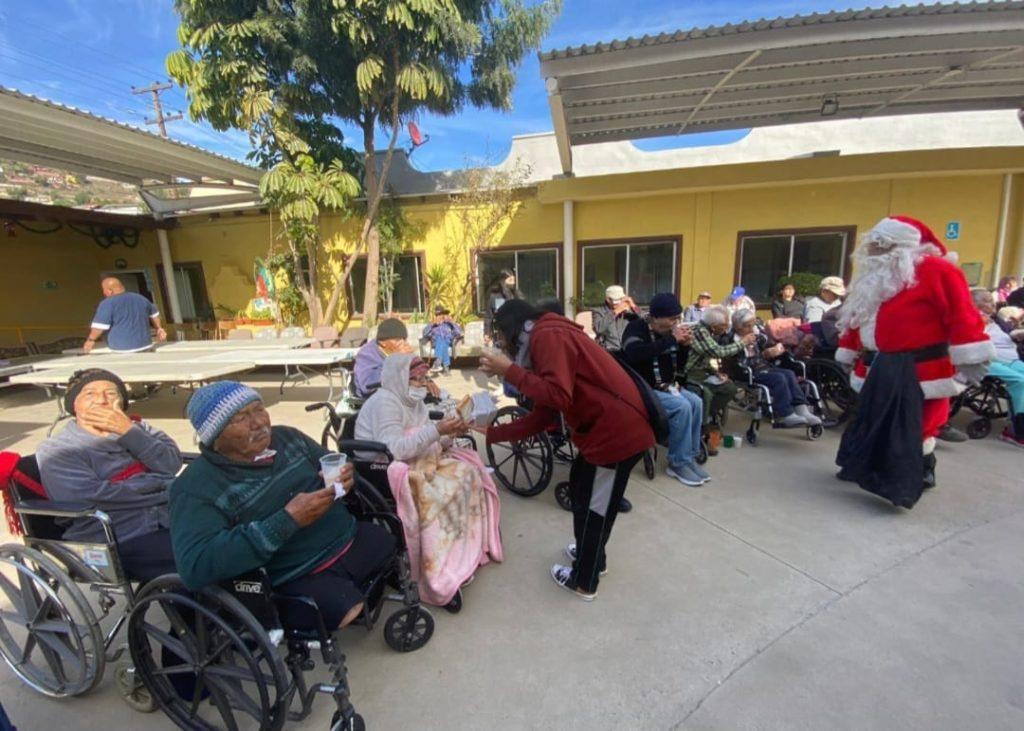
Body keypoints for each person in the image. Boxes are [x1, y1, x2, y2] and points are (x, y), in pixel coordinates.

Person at [171, 381, 394, 631]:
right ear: (215, 435)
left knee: (389, 540)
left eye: (258, 409)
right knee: (345, 607)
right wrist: (287, 521)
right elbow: (195, 567)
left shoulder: (288, 438)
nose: (258, 423)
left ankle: (357, 590)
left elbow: (335, 466)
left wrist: (347, 475)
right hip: (294, 575)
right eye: (241, 418)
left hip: (345, 539)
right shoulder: (195, 487)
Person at [479, 300, 655, 601]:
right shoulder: (550, 335)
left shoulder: (547, 335)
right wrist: (492, 432)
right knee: (581, 491)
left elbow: (557, 396)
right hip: (607, 430)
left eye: (502, 337)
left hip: (615, 434)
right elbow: (545, 414)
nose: (503, 345)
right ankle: (591, 554)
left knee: (595, 508)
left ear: (515, 328)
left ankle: (585, 579)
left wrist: (510, 371)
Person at [834, 216, 993, 508]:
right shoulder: (872, 278)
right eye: (874, 245)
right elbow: (855, 318)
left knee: (917, 426)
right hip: (875, 364)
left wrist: (971, 355)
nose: (875, 251)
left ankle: (915, 474)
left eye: (882, 245)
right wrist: (847, 349)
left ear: (903, 246)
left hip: (919, 368)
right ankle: (863, 466)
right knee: (871, 419)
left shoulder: (937, 271)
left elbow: (961, 314)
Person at [355, 355, 502, 605]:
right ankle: (438, 571)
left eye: (425, 378)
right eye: (417, 379)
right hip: (383, 468)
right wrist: (437, 431)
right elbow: (396, 450)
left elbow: (427, 439)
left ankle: (463, 553)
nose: (423, 384)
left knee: (468, 474)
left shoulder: (415, 402)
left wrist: (450, 433)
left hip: (417, 461)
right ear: (400, 378)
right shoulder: (386, 403)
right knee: (441, 496)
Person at [36, 369, 181, 583]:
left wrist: (128, 432)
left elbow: (170, 464)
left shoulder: (141, 429)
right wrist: (159, 487)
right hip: (117, 533)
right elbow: (86, 497)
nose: (102, 400)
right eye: (90, 394)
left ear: (122, 402)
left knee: (235, 545)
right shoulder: (58, 449)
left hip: (171, 517)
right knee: (195, 560)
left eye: (111, 394)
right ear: (74, 405)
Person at [621, 293, 709, 487]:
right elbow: (635, 354)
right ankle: (677, 463)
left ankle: (689, 457)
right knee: (682, 406)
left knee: (696, 402)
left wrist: (684, 347)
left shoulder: (668, 333)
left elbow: (680, 366)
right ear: (655, 317)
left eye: (677, 318)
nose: (675, 323)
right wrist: (672, 340)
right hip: (641, 388)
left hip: (666, 386)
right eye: (671, 318)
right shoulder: (636, 328)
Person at [728, 310, 822, 427]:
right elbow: (738, 361)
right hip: (747, 371)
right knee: (779, 378)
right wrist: (757, 351)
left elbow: (765, 344)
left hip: (763, 366)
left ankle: (802, 409)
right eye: (748, 326)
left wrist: (772, 350)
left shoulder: (755, 333)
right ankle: (785, 414)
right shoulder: (732, 339)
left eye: (753, 325)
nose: (751, 328)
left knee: (789, 373)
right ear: (738, 326)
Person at [684, 305, 756, 431]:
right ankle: (702, 424)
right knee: (707, 393)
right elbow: (717, 352)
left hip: (703, 371)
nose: (726, 328)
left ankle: (708, 414)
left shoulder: (707, 331)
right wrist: (743, 342)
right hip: (689, 374)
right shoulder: (699, 331)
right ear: (714, 326)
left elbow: (704, 357)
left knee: (729, 388)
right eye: (724, 325)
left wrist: (715, 372)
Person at [971, 290, 1024, 448]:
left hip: (1010, 359)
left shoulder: (996, 319)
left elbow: (1006, 335)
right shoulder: (972, 316)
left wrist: (1016, 334)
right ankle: (1015, 432)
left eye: (991, 300)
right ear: (974, 303)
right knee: (1020, 382)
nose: (992, 303)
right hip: (988, 360)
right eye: (987, 300)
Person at [83, 277, 166, 353]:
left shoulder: (107, 303)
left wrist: (90, 340)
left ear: (109, 291)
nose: (103, 292)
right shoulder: (141, 298)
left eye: (104, 289)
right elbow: (154, 314)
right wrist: (159, 328)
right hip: (145, 345)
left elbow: (99, 327)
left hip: (122, 349)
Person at [353, 317, 413, 398]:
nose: (403, 343)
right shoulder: (366, 354)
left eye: (404, 339)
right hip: (373, 402)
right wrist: (396, 360)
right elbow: (368, 384)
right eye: (398, 340)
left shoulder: (397, 352)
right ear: (383, 342)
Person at [592, 285, 640, 352]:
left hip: (627, 350)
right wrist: (615, 312)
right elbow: (598, 328)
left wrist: (633, 306)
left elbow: (647, 321)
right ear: (608, 299)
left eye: (620, 299)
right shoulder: (599, 311)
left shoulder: (628, 310)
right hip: (609, 351)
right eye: (616, 299)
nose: (618, 302)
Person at [483, 269, 521, 345]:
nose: (513, 283)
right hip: (500, 334)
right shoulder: (495, 296)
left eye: (514, 280)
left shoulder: (516, 295)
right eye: (510, 280)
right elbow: (488, 316)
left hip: (516, 333)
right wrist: (487, 333)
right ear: (503, 281)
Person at [422, 307, 463, 375]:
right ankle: (446, 367)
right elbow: (424, 334)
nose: (442, 316)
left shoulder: (448, 324)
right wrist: (432, 324)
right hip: (436, 342)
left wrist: (452, 322)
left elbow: (459, 333)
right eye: (439, 315)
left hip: (448, 341)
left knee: (443, 341)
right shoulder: (433, 324)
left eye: (443, 314)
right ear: (436, 316)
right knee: (441, 340)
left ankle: (437, 363)